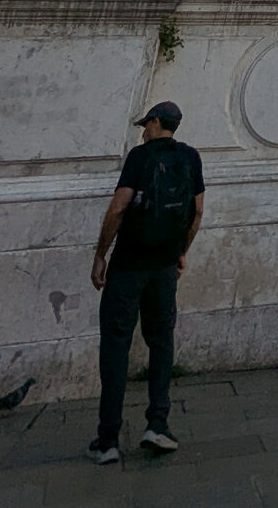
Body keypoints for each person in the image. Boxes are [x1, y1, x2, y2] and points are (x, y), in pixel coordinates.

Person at [90, 102, 205, 464]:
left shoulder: (140, 157)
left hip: (128, 266)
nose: (142, 132)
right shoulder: (191, 157)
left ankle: (108, 439)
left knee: (116, 346)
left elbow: (118, 207)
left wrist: (101, 254)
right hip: (164, 268)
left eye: (145, 125)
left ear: (155, 123)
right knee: (161, 343)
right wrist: (182, 251)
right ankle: (158, 423)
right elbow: (198, 211)